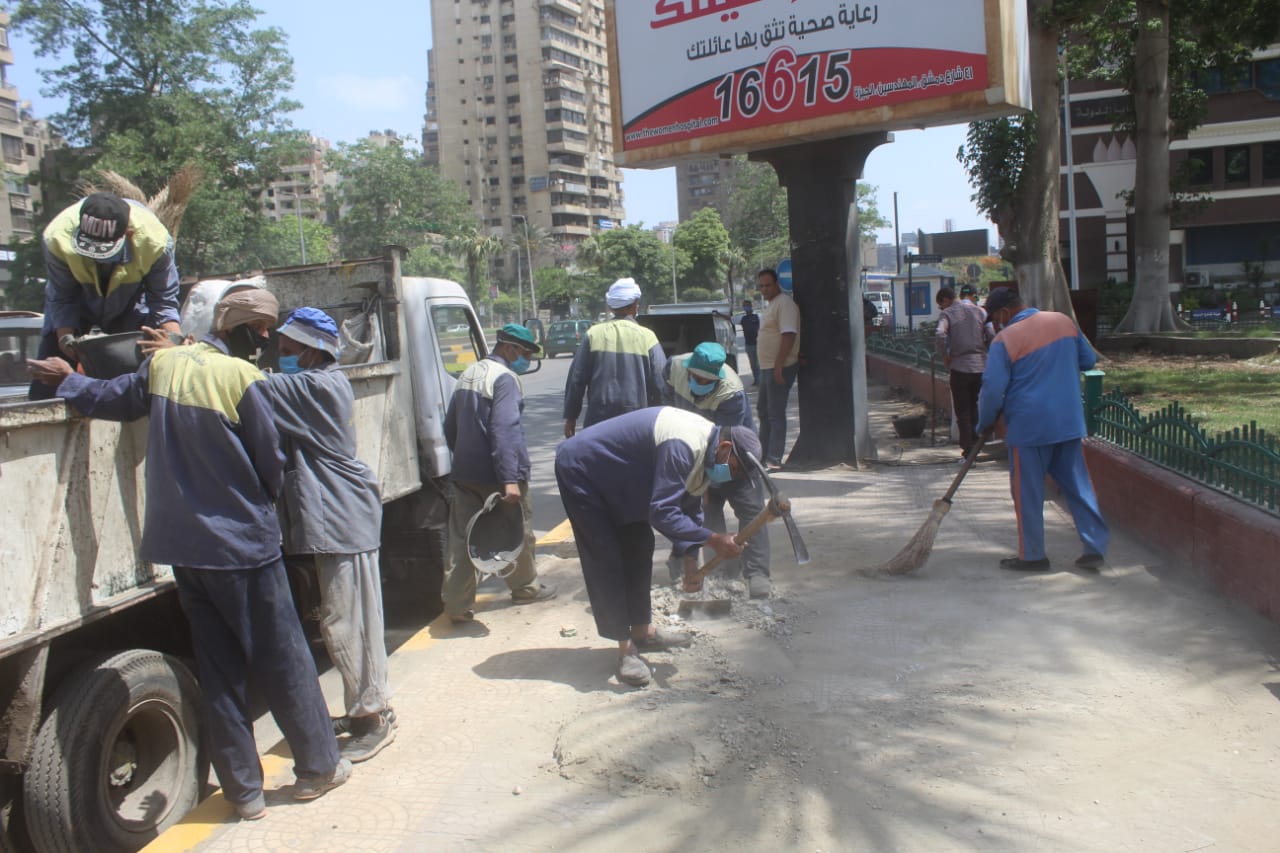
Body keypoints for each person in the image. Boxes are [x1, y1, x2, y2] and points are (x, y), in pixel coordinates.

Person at [28, 290, 350, 820]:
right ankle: (318, 767)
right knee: (284, 659)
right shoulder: (239, 379)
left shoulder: (167, 367)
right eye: (264, 328)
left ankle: (244, 793)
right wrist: (264, 509)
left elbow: (111, 398)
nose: (269, 339)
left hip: (184, 551)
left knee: (220, 671)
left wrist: (66, 379)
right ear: (238, 328)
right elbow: (270, 461)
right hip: (243, 547)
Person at [265, 307, 395, 764]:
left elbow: (249, 385)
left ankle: (371, 718)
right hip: (337, 518)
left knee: (348, 624)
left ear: (309, 351)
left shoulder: (316, 385)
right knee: (351, 621)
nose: (278, 358)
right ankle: (368, 705)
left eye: (285, 351)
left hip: (342, 518)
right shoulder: (314, 382)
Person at [555, 407, 757, 686]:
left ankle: (643, 632)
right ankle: (626, 650)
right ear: (725, 447)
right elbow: (662, 513)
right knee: (607, 558)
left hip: (623, 478)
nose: (730, 475)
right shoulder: (683, 445)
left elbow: (689, 502)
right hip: (584, 471)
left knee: (639, 545)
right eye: (733, 468)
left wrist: (689, 562)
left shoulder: (706, 449)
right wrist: (713, 539)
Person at [976, 288, 1110, 572]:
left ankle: (1033, 556)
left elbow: (991, 391)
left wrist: (984, 423)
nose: (996, 325)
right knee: (1078, 488)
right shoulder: (1063, 321)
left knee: (1028, 494)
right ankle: (1094, 547)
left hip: (1028, 428)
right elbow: (1088, 361)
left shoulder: (1005, 340)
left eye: (995, 319)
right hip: (1068, 422)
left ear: (1004, 313)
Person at [445, 323, 557, 621]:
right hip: (499, 475)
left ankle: (457, 605)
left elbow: (450, 427)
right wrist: (509, 479)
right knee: (518, 533)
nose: (527, 363)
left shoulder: (468, 374)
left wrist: (464, 459)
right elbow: (504, 430)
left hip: (465, 474)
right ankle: (526, 589)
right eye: (526, 355)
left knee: (462, 541)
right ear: (509, 349)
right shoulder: (504, 379)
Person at [30, 193, 181, 400]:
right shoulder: (57, 238)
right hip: (78, 300)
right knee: (47, 383)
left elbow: (163, 302)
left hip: (130, 303)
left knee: (143, 384)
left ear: (128, 234)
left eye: (104, 254)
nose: (97, 261)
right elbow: (63, 297)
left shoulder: (155, 243)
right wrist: (65, 338)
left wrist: (174, 343)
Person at [663, 341, 772, 598]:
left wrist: (710, 482)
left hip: (733, 452)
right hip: (693, 449)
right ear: (688, 370)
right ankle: (720, 566)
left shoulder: (730, 392)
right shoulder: (672, 368)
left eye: (706, 380)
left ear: (718, 376)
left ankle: (757, 574)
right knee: (703, 511)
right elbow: (665, 408)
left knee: (751, 510)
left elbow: (723, 447)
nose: (699, 382)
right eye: (696, 377)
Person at [563, 277, 666, 437]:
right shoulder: (647, 337)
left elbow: (576, 380)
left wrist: (571, 416)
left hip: (598, 421)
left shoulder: (593, 334)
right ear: (634, 305)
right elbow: (661, 383)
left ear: (611, 307)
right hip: (637, 421)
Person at [755, 269, 801, 471]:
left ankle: (773, 458)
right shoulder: (771, 306)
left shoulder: (785, 304)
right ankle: (762, 455)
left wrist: (779, 365)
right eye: (761, 286)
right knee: (763, 412)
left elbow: (789, 335)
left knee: (775, 413)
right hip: (766, 368)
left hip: (778, 367)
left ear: (777, 284)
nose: (765, 289)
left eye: (768, 285)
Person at [935, 286, 988, 457]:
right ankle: (978, 442)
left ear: (945, 300)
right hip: (980, 366)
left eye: (940, 305)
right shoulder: (979, 311)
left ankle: (968, 449)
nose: (941, 309)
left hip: (959, 367)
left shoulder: (948, 314)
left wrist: (945, 356)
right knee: (975, 406)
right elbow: (991, 332)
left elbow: (940, 334)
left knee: (963, 410)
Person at [739, 299, 761, 386]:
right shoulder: (742, 318)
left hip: (759, 344)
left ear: (751, 306)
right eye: (744, 306)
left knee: (759, 364)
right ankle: (756, 380)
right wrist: (718, 314)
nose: (746, 307)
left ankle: (760, 381)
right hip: (749, 345)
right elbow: (730, 319)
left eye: (747, 305)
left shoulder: (758, 316)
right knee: (753, 364)